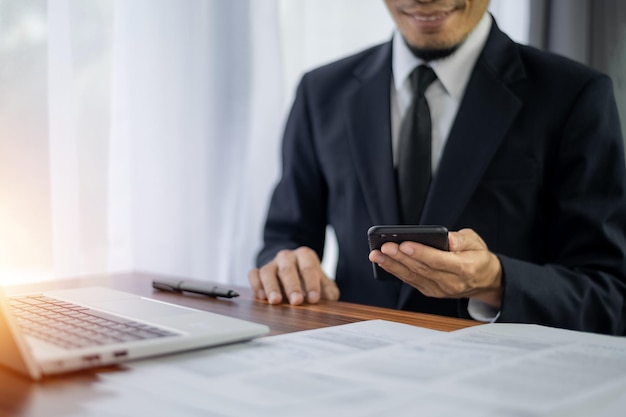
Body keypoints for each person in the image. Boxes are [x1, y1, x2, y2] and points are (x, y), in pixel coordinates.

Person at [248, 0, 626, 335]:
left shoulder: (574, 95)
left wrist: (495, 281)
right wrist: (285, 266)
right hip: (354, 373)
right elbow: (284, 237)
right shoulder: (321, 91)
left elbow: (610, 294)